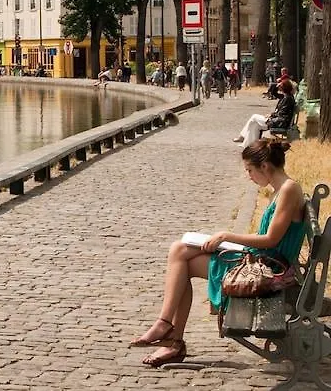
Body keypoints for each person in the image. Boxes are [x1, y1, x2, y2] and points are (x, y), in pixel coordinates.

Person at [130, 139, 304, 367]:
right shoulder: (281, 189)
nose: (249, 176)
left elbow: (271, 239)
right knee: (179, 251)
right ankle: (168, 332)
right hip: (262, 259)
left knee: (181, 257)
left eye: (250, 170)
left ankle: (169, 334)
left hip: (269, 269)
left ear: (264, 166)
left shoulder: (289, 189)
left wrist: (227, 237)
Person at [233, 80, 296, 146]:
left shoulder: (287, 98)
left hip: (279, 122)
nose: (279, 87)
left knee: (254, 117)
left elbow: (282, 114)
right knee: (255, 125)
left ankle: (243, 137)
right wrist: (276, 85)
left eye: (281, 86)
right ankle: (251, 145)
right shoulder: (286, 96)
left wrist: (271, 116)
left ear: (284, 88)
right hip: (278, 120)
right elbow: (274, 93)